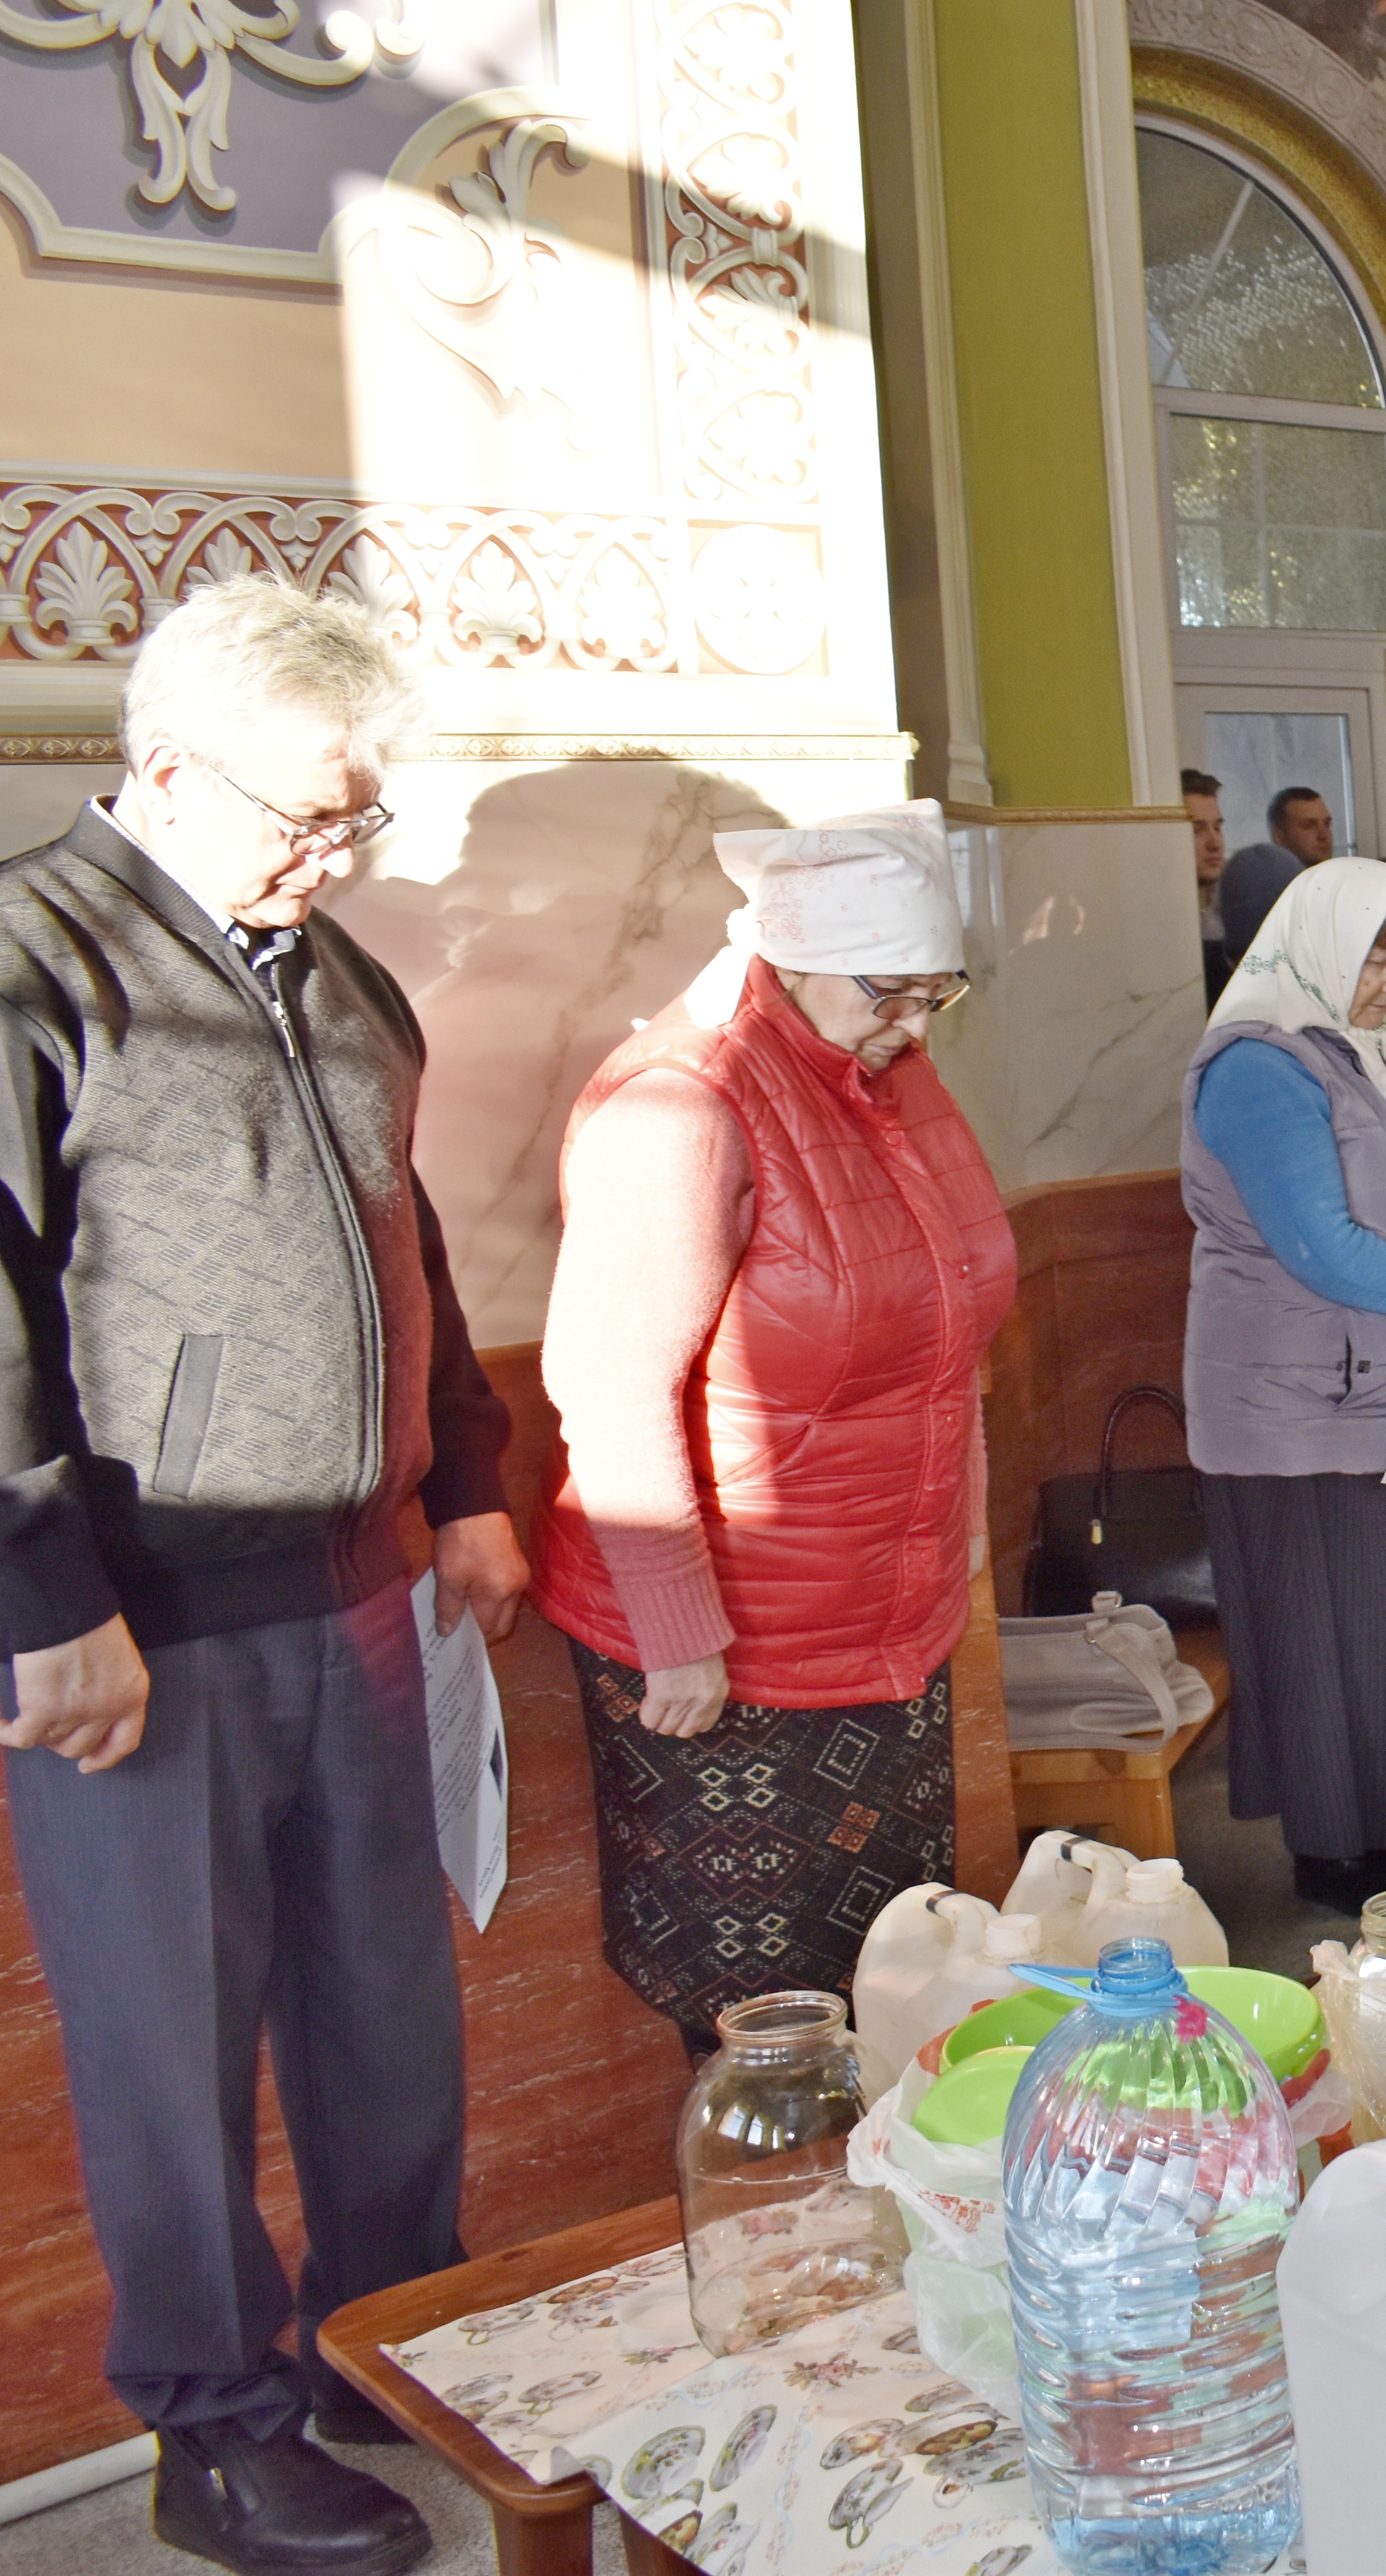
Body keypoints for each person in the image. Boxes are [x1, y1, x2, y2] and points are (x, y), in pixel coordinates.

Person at [0, 579, 522, 2569]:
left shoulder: (335, 974)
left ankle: (386, 2343)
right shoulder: (33, 962)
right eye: (314, 815)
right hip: (139, 1622)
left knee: (388, 2004)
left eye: (361, 817)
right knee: (169, 2032)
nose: (342, 854)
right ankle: (211, 2429)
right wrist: (41, 1595)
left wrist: (464, 1473)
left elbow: (410, 1252)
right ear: (160, 767)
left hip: (357, 1582)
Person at [536, 808, 1014, 2053]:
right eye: (891, 990)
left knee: (896, 1965)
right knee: (767, 2011)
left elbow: (948, 1334)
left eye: (936, 991)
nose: (914, 1021)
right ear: (796, 951)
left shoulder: (881, 1070)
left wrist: (952, 1548)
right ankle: (774, 2230)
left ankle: (883, 2227)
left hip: (881, 1614)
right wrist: (677, 1636)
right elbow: (610, 1383)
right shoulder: (684, 1105)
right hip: (729, 1650)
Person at [1186, 860, 1386, 1908]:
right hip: (1291, 1409)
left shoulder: (1383, 1051)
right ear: (1315, 946)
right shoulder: (1256, 1068)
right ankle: (1336, 1848)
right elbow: (1320, 1245)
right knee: (1323, 1632)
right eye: (1374, 955)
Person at [1218, 783, 1336, 958]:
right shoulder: (1261, 893)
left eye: (1327, 824)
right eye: (1309, 825)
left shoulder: (1339, 891)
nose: (1324, 835)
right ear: (1279, 836)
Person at [1185, 766, 1233, 1002]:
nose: (1215, 843)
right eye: (1197, 830)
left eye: (1218, 827)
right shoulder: (1164, 923)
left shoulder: (1236, 908)